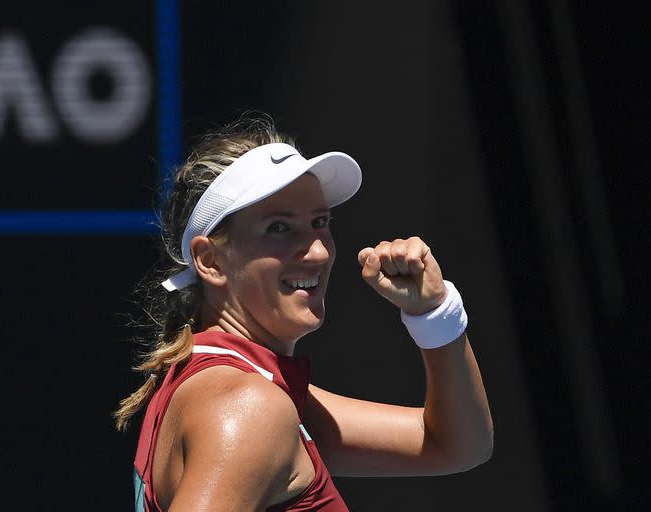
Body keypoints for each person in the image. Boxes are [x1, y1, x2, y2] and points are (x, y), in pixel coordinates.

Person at [115, 116, 493, 511]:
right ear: (210, 261)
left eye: (319, 222)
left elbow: (455, 445)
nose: (318, 251)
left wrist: (434, 314)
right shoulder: (249, 408)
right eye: (279, 227)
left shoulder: (240, 389)